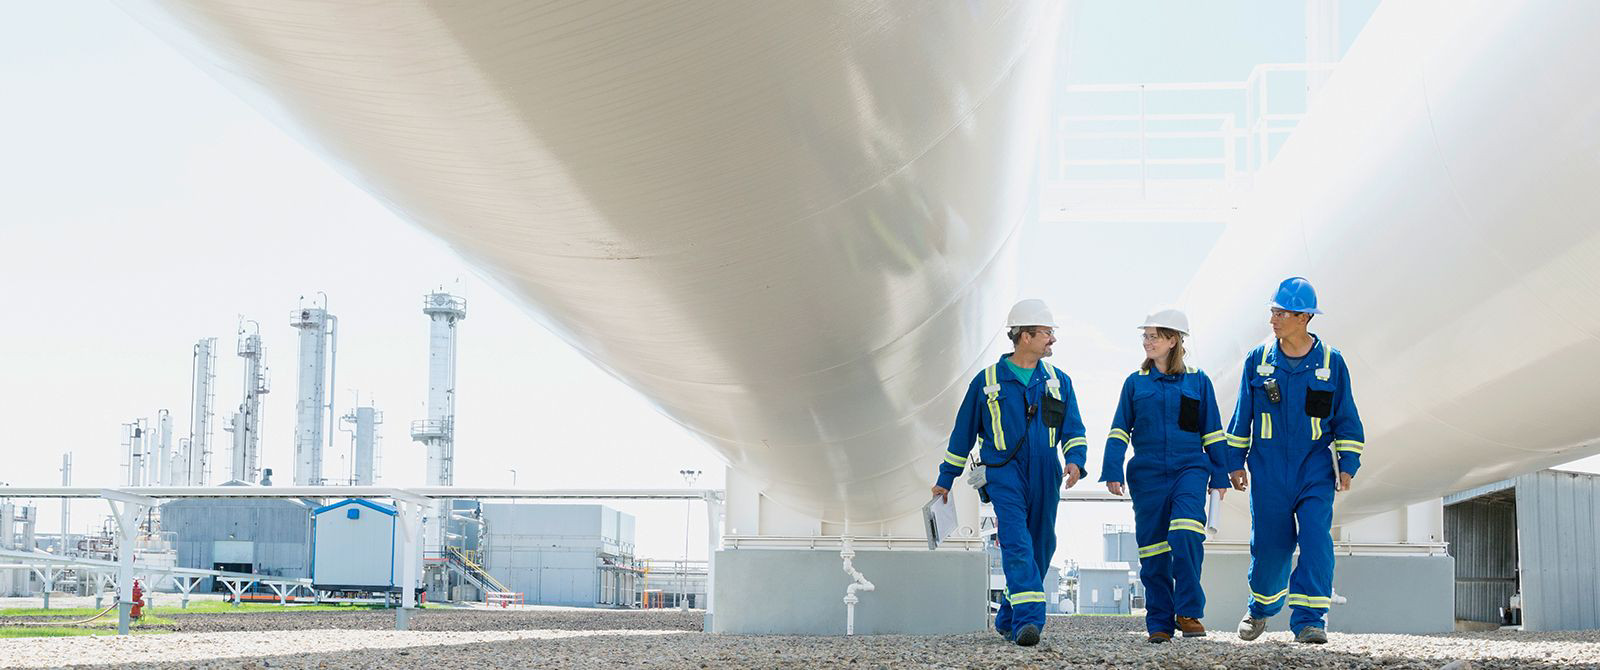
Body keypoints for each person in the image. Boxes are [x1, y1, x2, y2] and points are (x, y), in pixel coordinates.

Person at [932, 298, 1088, 647]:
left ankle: (1008, 614)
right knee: (1017, 541)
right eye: (1047, 333)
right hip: (1003, 473)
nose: (1053, 340)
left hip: (1046, 471)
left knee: (1042, 545)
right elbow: (962, 436)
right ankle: (1029, 623)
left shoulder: (1059, 381)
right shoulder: (986, 383)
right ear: (1025, 336)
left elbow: (1073, 427)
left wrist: (1075, 459)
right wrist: (945, 480)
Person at [1226, 277, 1365, 644]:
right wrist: (1233, 462)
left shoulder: (1332, 363)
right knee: (1272, 546)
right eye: (1272, 311)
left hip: (1313, 467)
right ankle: (1261, 607)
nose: (1273, 319)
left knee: (1317, 539)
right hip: (1269, 469)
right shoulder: (1258, 360)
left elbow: (1346, 417)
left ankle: (1309, 620)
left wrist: (1348, 463)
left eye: (1281, 312)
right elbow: (1242, 416)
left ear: (1304, 317)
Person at [1100, 307, 1230, 643]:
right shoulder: (1135, 383)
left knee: (1187, 533)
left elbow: (1212, 431)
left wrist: (1220, 475)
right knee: (1153, 550)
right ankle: (1159, 620)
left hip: (1189, 467)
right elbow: (1118, 430)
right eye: (1145, 336)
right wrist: (1112, 467)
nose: (1147, 341)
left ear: (1173, 340)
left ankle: (1187, 611)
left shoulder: (1198, 381)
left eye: (1153, 336)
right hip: (1147, 474)